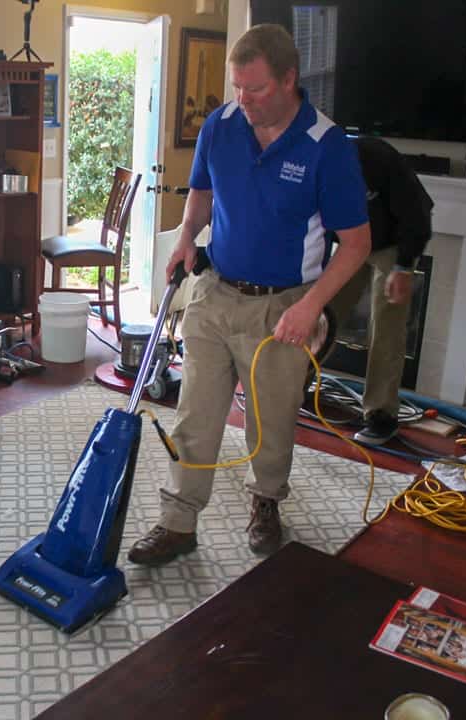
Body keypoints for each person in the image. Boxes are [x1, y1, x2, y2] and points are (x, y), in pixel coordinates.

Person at [127, 24, 371, 564]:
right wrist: (187, 237)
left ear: (289, 80)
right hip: (215, 293)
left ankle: (265, 500)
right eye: (237, 87)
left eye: (256, 89)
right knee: (195, 412)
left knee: (271, 418)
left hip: (283, 304)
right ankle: (178, 520)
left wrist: (311, 307)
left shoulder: (326, 146)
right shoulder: (222, 124)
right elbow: (202, 191)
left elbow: (356, 244)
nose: (244, 100)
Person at [327, 136, 433, 446]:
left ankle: (380, 414)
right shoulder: (317, 167)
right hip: (350, 241)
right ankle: (296, 384)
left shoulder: (377, 158)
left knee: (386, 326)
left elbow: (416, 217)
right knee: (321, 313)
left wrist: (403, 268)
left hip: (393, 240)